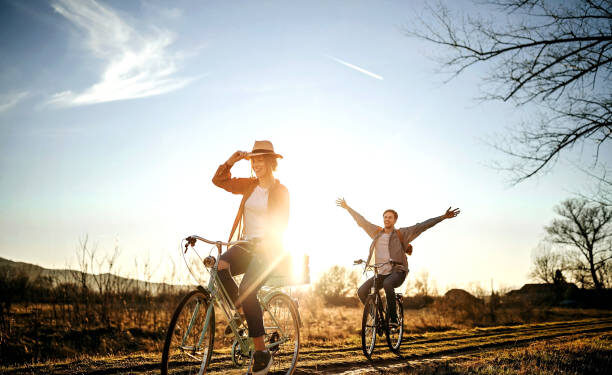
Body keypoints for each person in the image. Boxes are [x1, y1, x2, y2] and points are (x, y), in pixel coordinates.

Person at [212, 140, 289, 375]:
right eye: (253, 160)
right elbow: (219, 181)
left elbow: (282, 222)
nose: (256, 164)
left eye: (260, 160)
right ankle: (244, 313)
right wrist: (230, 161)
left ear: (270, 162)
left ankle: (261, 352)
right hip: (246, 245)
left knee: (247, 290)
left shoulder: (280, 190)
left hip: (268, 249)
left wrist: (267, 241)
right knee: (219, 266)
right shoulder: (249, 185)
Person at [336, 198, 459, 327]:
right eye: (385, 217)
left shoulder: (403, 234)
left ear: (395, 220)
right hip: (381, 273)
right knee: (361, 291)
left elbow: (422, 226)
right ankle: (377, 317)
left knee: (388, 283)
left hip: (397, 272)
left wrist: (443, 217)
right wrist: (348, 208)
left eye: (390, 217)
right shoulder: (376, 233)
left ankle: (393, 319)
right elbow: (362, 221)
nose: (387, 219)